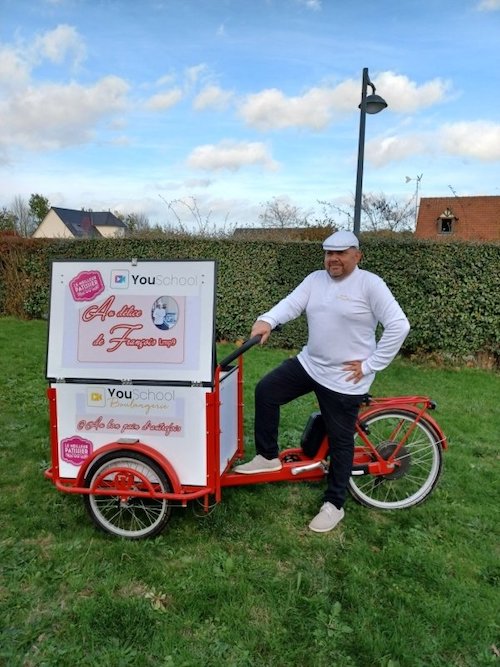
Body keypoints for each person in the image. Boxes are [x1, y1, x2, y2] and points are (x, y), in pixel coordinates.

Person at [234, 230, 410, 533]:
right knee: (266, 391)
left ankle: (334, 505)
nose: (334, 259)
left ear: (357, 255)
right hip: (310, 363)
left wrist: (371, 365)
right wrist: (267, 320)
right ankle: (267, 456)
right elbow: (291, 303)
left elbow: (399, 325)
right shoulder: (315, 280)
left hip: (345, 378)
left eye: (341, 253)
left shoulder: (371, 284)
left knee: (340, 442)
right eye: (329, 253)